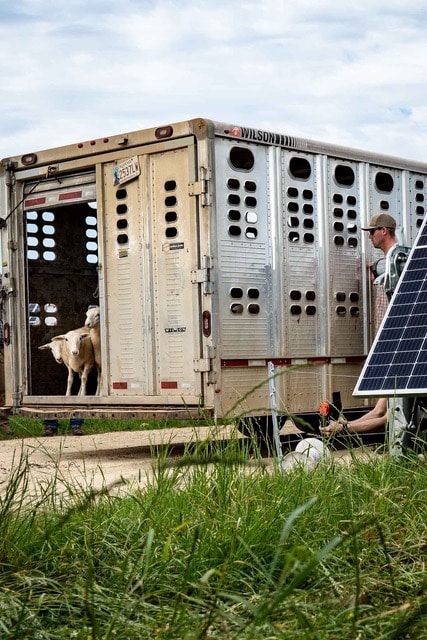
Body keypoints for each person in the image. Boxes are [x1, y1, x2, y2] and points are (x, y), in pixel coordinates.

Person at [320, 214, 410, 439]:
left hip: (399, 346)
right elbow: (379, 411)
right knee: (384, 406)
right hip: (389, 345)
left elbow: (386, 417)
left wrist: (343, 428)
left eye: (372, 231)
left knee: (396, 413)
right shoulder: (384, 266)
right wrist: (345, 424)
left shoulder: (401, 263)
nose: (369, 236)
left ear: (384, 231)